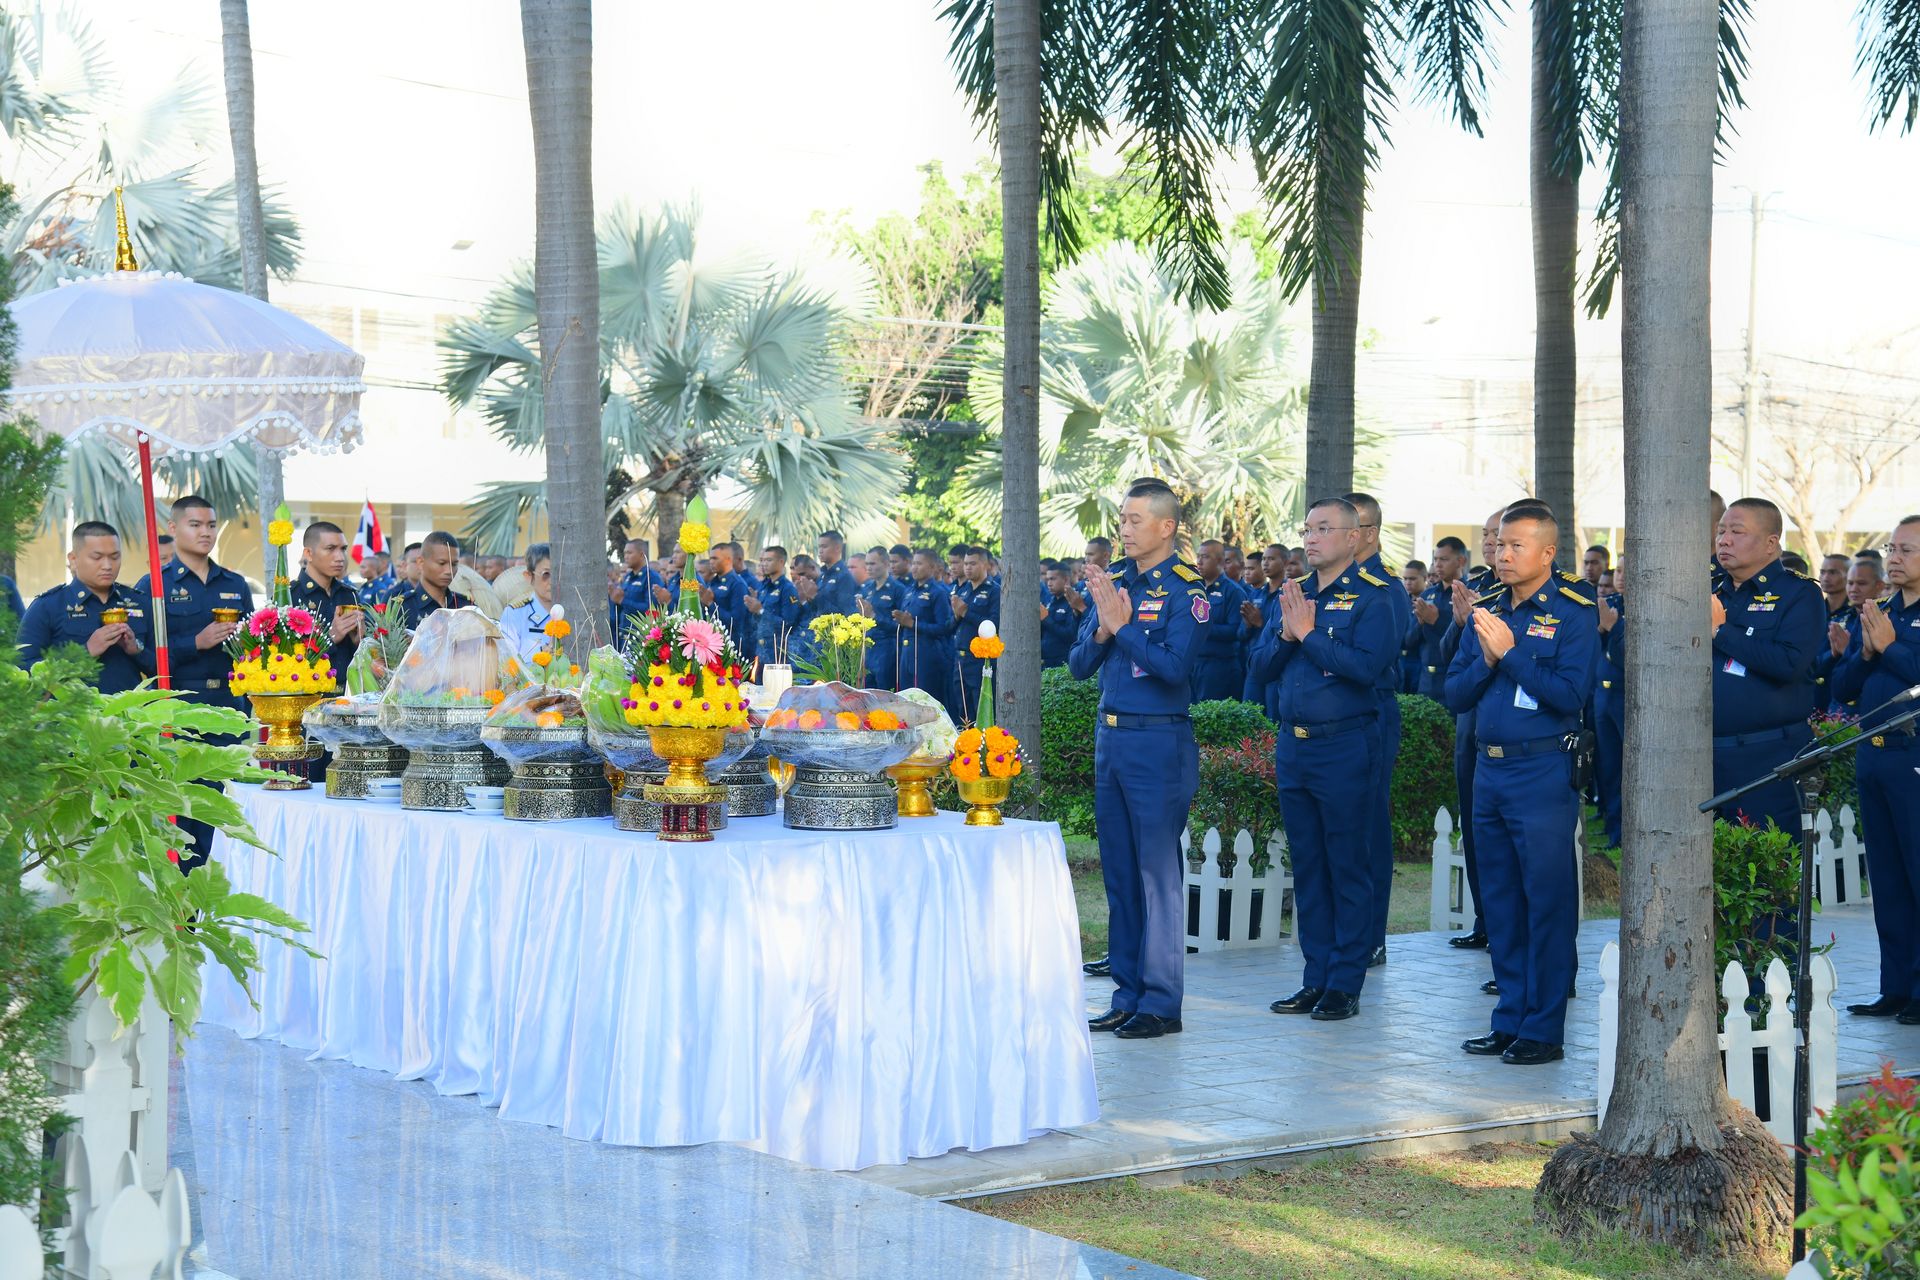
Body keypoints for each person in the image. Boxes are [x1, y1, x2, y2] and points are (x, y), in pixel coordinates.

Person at [1444, 505, 1597, 1066]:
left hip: (1542, 771)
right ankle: (1509, 1017)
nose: (1503, 555)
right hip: (1489, 770)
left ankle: (1544, 1027)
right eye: (1500, 545)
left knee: (1546, 901)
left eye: (1516, 546)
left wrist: (1509, 654)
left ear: (1547, 553)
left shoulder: (1574, 612)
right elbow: (1454, 693)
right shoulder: (1486, 609)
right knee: (1501, 901)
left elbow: (1570, 695)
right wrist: (1488, 660)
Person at [1251, 498, 1398, 1023]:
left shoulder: (1375, 597)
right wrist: (1287, 633)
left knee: (1347, 865)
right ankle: (1315, 977)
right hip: (1295, 745)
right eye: (1307, 529)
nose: (1311, 539)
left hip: (1345, 746)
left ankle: (1344, 982)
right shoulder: (1294, 595)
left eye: (1323, 529)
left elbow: (1366, 669)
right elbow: (1260, 666)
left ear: (1354, 537)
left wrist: (1309, 636)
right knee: (1309, 866)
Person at [1070, 478, 1207, 1039]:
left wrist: (1123, 629)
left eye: (1134, 520)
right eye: (1121, 520)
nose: (1123, 529)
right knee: (1122, 876)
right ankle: (1126, 995)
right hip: (1112, 739)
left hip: (1158, 742)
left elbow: (1175, 668)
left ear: (1166, 526)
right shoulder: (1116, 584)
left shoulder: (1187, 591)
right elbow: (1078, 664)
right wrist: (1105, 629)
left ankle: (1161, 1002)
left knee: (1157, 878)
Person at [1832, 515, 1920, 1024]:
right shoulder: (1877, 611)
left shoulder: (1890, 625)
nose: (1894, 558)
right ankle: (1897, 987)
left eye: (1907, 549)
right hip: (1874, 752)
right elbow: (1841, 687)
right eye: (1892, 548)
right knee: (1887, 878)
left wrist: (1891, 648)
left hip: (1914, 757)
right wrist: (1866, 653)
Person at [138, 496, 250, 869]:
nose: (206, 533)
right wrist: (195, 643)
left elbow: (254, 647)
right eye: (196, 525)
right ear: (173, 528)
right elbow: (144, 656)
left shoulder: (234, 583)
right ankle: (181, 897)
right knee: (182, 808)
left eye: (211, 525)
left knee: (222, 806)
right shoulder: (154, 585)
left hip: (228, 709)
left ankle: (215, 891)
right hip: (179, 708)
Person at [1710, 497, 1824, 839]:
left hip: (1769, 755)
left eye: (1737, 532)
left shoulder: (1798, 594)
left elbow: (1789, 663)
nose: (1724, 540)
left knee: (1768, 862)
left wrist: (1721, 632)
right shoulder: (1711, 590)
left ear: (1771, 543)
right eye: (1721, 531)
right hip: (1707, 753)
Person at [1343, 492, 1410, 967]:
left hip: (1371, 710)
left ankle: (1371, 934)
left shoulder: (1386, 587)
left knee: (1367, 826)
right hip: (1333, 718)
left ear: (1367, 533)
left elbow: (1377, 658)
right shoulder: (1323, 584)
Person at [1440, 510, 1506, 957]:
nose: (1489, 543)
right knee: (1475, 825)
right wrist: (1462, 621)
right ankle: (1485, 919)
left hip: (1513, 729)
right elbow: (1448, 654)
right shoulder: (1479, 589)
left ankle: (1506, 931)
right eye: (1486, 535)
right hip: (1472, 726)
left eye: (1497, 536)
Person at [17, 521, 155, 691]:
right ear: (73, 559)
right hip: (72, 707)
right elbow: (23, 669)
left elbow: (164, 669)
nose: (107, 566)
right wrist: (84, 653)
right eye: (97, 557)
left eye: (114, 557)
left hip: (129, 706)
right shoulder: (48, 606)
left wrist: (136, 649)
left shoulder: (140, 603)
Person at [291, 521, 366, 680]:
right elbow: (281, 658)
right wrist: (330, 636)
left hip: (348, 691)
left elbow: (361, 657)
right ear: (308, 553)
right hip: (309, 691)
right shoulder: (290, 596)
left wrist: (360, 640)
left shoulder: (349, 594)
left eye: (343, 549)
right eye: (330, 549)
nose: (340, 557)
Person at [894, 549, 954, 708]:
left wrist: (913, 624)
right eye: (913, 563)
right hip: (907, 653)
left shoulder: (938, 593)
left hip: (927, 655)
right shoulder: (909, 591)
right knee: (906, 699)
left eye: (919, 564)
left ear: (932, 567)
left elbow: (944, 628)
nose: (914, 567)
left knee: (925, 702)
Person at [1187, 540, 1243, 704]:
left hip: (1218, 666)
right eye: (1198, 556)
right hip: (1193, 663)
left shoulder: (1232, 591)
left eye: (1205, 557)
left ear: (1219, 561)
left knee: (1210, 714)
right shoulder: (1195, 589)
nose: (1199, 562)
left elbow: (1235, 631)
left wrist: (1202, 628)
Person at [1594, 572, 1626, 849]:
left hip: (1626, 695)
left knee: (1627, 767)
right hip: (1602, 694)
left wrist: (1614, 628)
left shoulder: (1645, 605)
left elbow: (1625, 655)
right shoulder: (1609, 603)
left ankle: (1626, 830)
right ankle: (1613, 827)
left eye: (1628, 570)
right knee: (1609, 764)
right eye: (1619, 571)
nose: (1622, 576)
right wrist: (1602, 629)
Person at [952, 546, 1001, 722]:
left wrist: (966, 612)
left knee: (981, 710)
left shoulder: (994, 591)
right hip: (960, 658)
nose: (968, 568)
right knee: (963, 711)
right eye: (966, 563)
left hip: (980, 660)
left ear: (986, 565)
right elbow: (951, 625)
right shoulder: (963, 590)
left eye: (973, 563)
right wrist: (957, 615)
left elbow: (994, 625)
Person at [1416, 538, 1468, 701]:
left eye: (1444, 559)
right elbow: (1409, 639)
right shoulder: (1427, 594)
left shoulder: (1468, 593)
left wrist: (1436, 621)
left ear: (1461, 561)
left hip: (1453, 674)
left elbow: (1466, 637)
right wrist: (1421, 622)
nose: (1438, 565)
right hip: (1425, 676)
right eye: (1435, 559)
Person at [1240, 544, 1287, 719]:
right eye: (1264, 559)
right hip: (1254, 665)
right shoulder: (1255, 594)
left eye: (1271, 559)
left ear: (1285, 562)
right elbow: (1240, 634)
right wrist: (1248, 625)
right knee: (1249, 717)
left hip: (1276, 668)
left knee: (1274, 719)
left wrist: (1260, 623)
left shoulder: (1289, 593)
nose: (1266, 563)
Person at [397, 531, 472, 629]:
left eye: (454, 564)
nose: (449, 571)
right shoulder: (401, 608)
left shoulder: (466, 606)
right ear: (421, 562)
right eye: (441, 563)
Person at [746, 545, 800, 672]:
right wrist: (753, 609)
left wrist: (761, 611)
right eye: (763, 560)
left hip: (777, 652)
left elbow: (788, 624)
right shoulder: (764, 586)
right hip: (760, 649)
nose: (764, 564)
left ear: (781, 562)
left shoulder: (787, 588)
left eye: (769, 560)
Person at [497, 544, 555, 661]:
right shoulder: (515, 614)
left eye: (558, 573)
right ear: (529, 576)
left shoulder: (573, 612)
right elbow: (507, 661)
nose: (552, 581)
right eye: (546, 574)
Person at [610, 539, 664, 641]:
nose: (626, 556)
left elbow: (650, 610)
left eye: (629, 553)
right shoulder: (627, 577)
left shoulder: (651, 577)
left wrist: (622, 600)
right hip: (624, 636)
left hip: (641, 637)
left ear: (641, 555)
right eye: (625, 553)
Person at [1399, 558, 1429, 693]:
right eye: (1405, 579)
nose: (1408, 582)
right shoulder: (1402, 601)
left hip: (1420, 661)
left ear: (1425, 578)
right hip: (1402, 660)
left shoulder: (1429, 601)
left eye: (1412, 579)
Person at [1041, 562, 1078, 669]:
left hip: (1062, 664)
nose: (1049, 583)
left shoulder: (1073, 601)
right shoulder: (1050, 600)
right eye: (1048, 579)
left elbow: (1071, 635)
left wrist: (1046, 619)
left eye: (1053, 579)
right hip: (1045, 662)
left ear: (1066, 580)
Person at [815, 530, 857, 616]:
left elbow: (844, 610)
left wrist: (815, 596)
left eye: (824, 546)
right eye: (819, 547)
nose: (820, 551)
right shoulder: (822, 576)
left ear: (837, 548)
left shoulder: (844, 576)